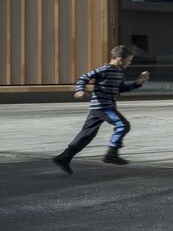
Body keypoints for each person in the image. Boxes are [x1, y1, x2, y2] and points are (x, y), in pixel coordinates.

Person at [52, 45, 151, 173]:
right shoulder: (105, 69)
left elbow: (121, 89)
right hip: (102, 106)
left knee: (86, 135)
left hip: (101, 107)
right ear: (120, 59)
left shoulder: (119, 72)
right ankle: (111, 153)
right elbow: (83, 78)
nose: (129, 63)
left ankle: (64, 158)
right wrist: (80, 90)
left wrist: (138, 83)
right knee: (123, 125)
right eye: (128, 61)